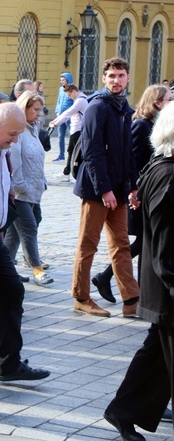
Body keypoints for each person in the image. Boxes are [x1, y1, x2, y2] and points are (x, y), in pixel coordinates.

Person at [103, 103, 174, 441]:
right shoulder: (168, 173)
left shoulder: (164, 167)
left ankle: (123, 411)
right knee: (159, 354)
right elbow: (165, 248)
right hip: (167, 288)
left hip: (164, 288)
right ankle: (123, 411)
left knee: (156, 356)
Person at [0, 102, 51, 387]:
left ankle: (10, 364)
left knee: (12, 292)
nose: (16, 139)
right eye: (13, 133)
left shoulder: (3, 150)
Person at [71, 56, 140, 318]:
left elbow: (128, 154)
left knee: (121, 243)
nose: (116, 80)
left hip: (119, 189)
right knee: (88, 243)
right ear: (104, 78)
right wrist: (104, 189)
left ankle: (131, 298)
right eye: (111, 76)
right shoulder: (97, 107)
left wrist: (133, 187)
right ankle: (81, 296)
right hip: (96, 189)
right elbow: (92, 152)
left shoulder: (124, 108)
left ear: (127, 78)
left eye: (120, 75)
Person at [92, 84, 171, 304]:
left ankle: (111, 279)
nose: (171, 103)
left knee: (144, 241)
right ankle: (111, 278)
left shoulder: (153, 123)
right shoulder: (142, 126)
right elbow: (132, 160)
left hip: (146, 191)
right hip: (141, 192)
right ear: (157, 102)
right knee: (142, 241)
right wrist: (134, 189)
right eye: (168, 99)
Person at [4, 92, 52, 284]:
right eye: (36, 109)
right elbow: (15, 161)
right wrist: (20, 185)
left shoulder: (33, 130)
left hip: (34, 191)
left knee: (15, 234)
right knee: (29, 228)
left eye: (41, 109)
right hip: (20, 194)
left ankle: (3, 269)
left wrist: (43, 181)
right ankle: (37, 270)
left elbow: (37, 159)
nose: (39, 113)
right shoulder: (20, 133)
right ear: (25, 109)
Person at [49, 83, 87, 181]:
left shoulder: (80, 100)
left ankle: (73, 173)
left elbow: (68, 113)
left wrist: (55, 123)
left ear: (74, 91)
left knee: (75, 152)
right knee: (71, 151)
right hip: (76, 129)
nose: (69, 97)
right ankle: (67, 172)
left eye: (69, 95)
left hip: (78, 130)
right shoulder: (80, 99)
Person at [53, 73, 73, 162]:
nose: (61, 82)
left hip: (69, 116)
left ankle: (72, 154)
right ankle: (61, 155)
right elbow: (59, 100)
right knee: (60, 136)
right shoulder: (61, 89)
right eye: (61, 80)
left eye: (63, 80)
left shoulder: (72, 89)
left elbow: (74, 102)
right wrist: (57, 111)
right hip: (60, 116)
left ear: (68, 80)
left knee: (71, 135)